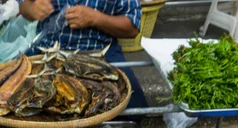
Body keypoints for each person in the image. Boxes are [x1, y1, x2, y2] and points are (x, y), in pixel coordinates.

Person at [19, 0, 148, 108]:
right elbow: (24, 6)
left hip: (99, 51)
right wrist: (32, 9)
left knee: (131, 98)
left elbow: (132, 28)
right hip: (48, 50)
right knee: (16, 98)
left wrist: (95, 18)